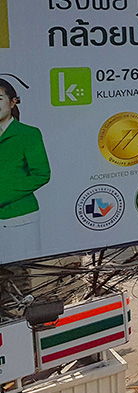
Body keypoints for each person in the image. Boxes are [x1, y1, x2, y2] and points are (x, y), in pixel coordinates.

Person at [0, 77, 51, 263]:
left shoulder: (28, 134)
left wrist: (3, 194)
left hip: (20, 217)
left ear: (13, 102)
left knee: (21, 276)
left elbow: (41, 174)